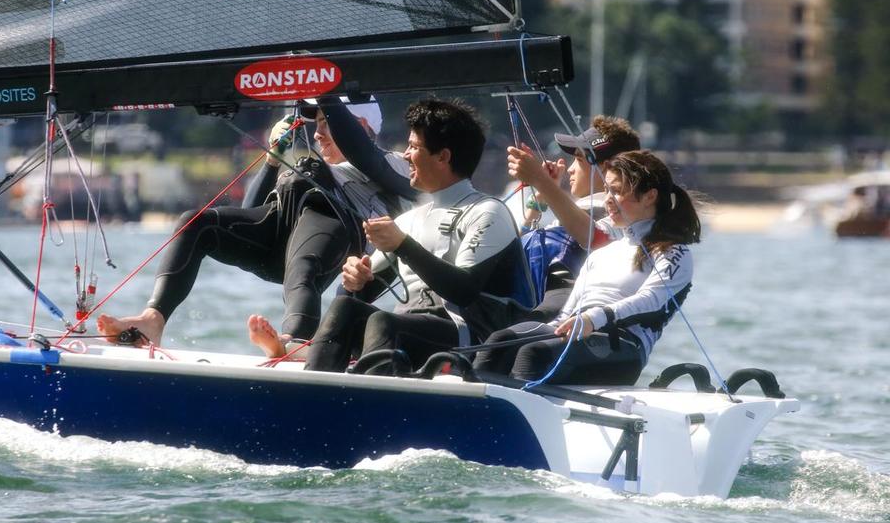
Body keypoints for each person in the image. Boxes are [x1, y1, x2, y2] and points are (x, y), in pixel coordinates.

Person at [97, 97, 417, 350]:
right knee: (197, 222)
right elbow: (252, 210)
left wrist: (322, 84)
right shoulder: (320, 164)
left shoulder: (394, 165)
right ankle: (153, 320)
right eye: (316, 125)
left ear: (360, 125)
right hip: (280, 241)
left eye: (326, 123)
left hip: (331, 242)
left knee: (310, 222)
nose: (317, 134)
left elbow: (361, 149)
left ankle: (293, 342)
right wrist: (272, 161)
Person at [304, 98, 534, 373]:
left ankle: (369, 402)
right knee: (345, 309)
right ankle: (313, 393)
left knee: (384, 322)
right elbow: (359, 297)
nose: (404, 155)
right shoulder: (409, 220)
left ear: (443, 157)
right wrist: (355, 281)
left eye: (414, 147)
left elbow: (463, 290)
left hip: (475, 341)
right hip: (416, 331)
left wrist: (402, 245)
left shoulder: (488, 212)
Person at [472, 149, 701, 385]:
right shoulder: (603, 252)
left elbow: (651, 299)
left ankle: (515, 411)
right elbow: (564, 315)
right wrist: (547, 329)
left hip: (624, 347)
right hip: (581, 331)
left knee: (534, 352)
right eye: (607, 190)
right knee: (497, 343)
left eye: (618, 191)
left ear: (650, 197)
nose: (608, 199)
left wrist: (594, 318)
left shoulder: (674, 252)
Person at [516, 116, 640, 319]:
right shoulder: (580, 211)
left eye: (580, 159)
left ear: (607, 168)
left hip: (567, 313)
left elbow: (593, 237)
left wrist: (541, 182)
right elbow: (519, 253)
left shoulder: (619, 215)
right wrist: (541, 197)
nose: (571, 169)